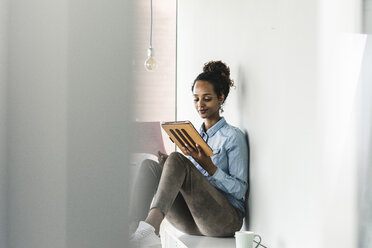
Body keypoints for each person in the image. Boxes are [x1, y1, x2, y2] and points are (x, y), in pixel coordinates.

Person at [129, 61, 248, 247]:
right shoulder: (195, 135)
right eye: (196, 99)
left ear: (221, 98)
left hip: (225, 221)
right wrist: (168, 167)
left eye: (207, 98)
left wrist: (209, 166)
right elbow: (192, 185)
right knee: (151, 166)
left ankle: (150, 228)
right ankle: (132, 232)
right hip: (194, 219)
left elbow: (240, 190)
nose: (200, 104)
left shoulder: (233, 136)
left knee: (178, 159)